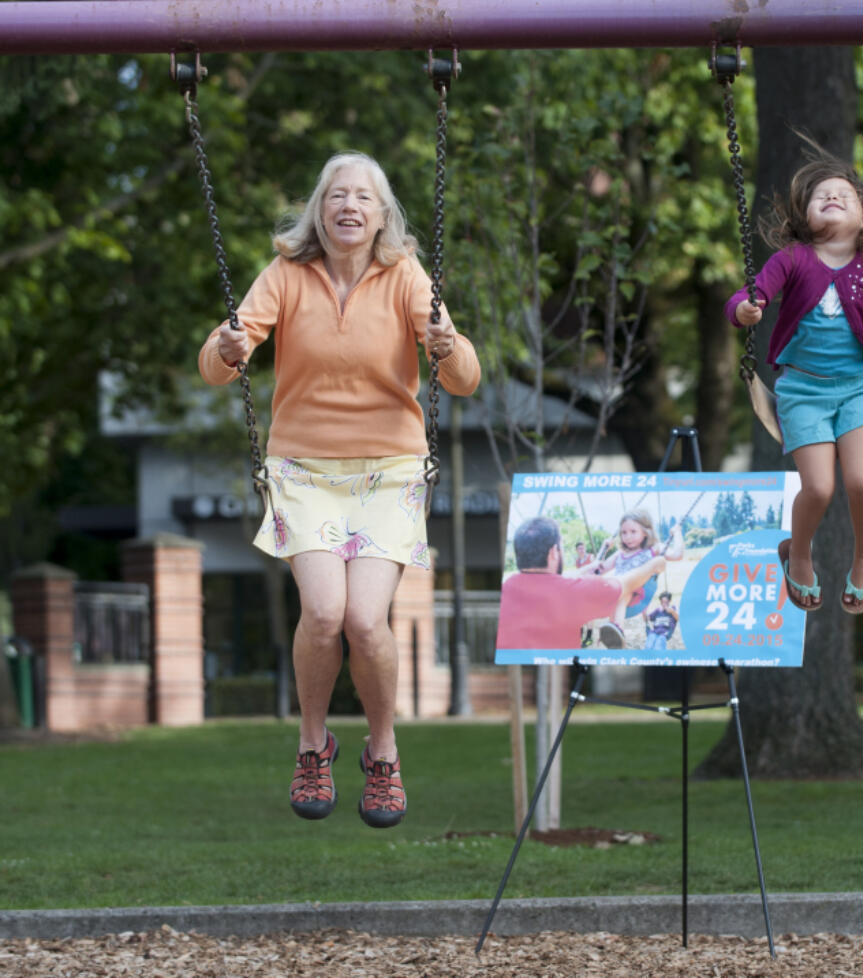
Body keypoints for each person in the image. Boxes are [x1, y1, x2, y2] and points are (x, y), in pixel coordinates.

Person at [198, 151, 481, 829]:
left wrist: (446, 344)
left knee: (364, 621)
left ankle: (382, 751)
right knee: (324, 614)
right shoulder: (287, 276)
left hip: (389, 470)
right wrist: (228, 349)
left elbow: (466, 378)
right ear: (317, 212)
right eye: (335, 196)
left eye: (363, 197)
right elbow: (216, 364)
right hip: (306, 471)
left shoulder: (406, 276)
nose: (349, 206)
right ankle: (311, 744)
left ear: (383, 215)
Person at [726, 142, 863, 616]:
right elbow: (751, 294)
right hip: (802, 390)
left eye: (845, 194)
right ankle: (798, 554)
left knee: (862, 481)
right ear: (805, 215)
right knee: (818, 488)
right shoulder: (794, 259)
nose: (835, 197)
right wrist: (742, 309)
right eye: (823, 195)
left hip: (859, 389)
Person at [496, 517, 669, 650]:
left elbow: (557, 579)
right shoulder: (573, 593)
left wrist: (588, 567)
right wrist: (653, 565)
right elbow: (625, 584)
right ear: (553, 553)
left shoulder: (506, 588)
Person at [580, 509, 684, 646]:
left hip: (637, 592)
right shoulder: (621, 553)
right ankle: (613, 638)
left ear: (646, 532)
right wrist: (603, 550)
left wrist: (677, 533)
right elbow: (599, 570)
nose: (628, 537)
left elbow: (677, 555)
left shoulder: (654, 548)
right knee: (613, 590)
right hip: (615, 591)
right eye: (624, 533)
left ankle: (617, 630)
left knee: (623, 592)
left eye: (633, 532)